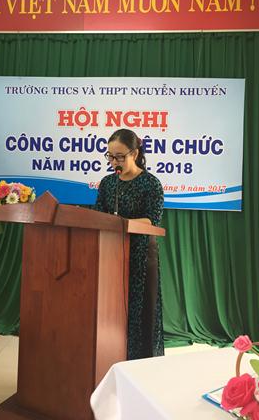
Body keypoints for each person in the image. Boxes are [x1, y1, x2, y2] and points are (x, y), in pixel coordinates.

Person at [92, 128, 165, 360]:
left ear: (134, 153)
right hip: (110, 254)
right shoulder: (108, 183)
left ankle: (140, 362)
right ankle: (110, 357)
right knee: (112, 309)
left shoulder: (151, 183)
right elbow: (98, 214)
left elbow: (152, 220)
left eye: (120, 157)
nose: (114, 162)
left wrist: (121, 223)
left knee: (139, 312)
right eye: (110, 156)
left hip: (140, 256)